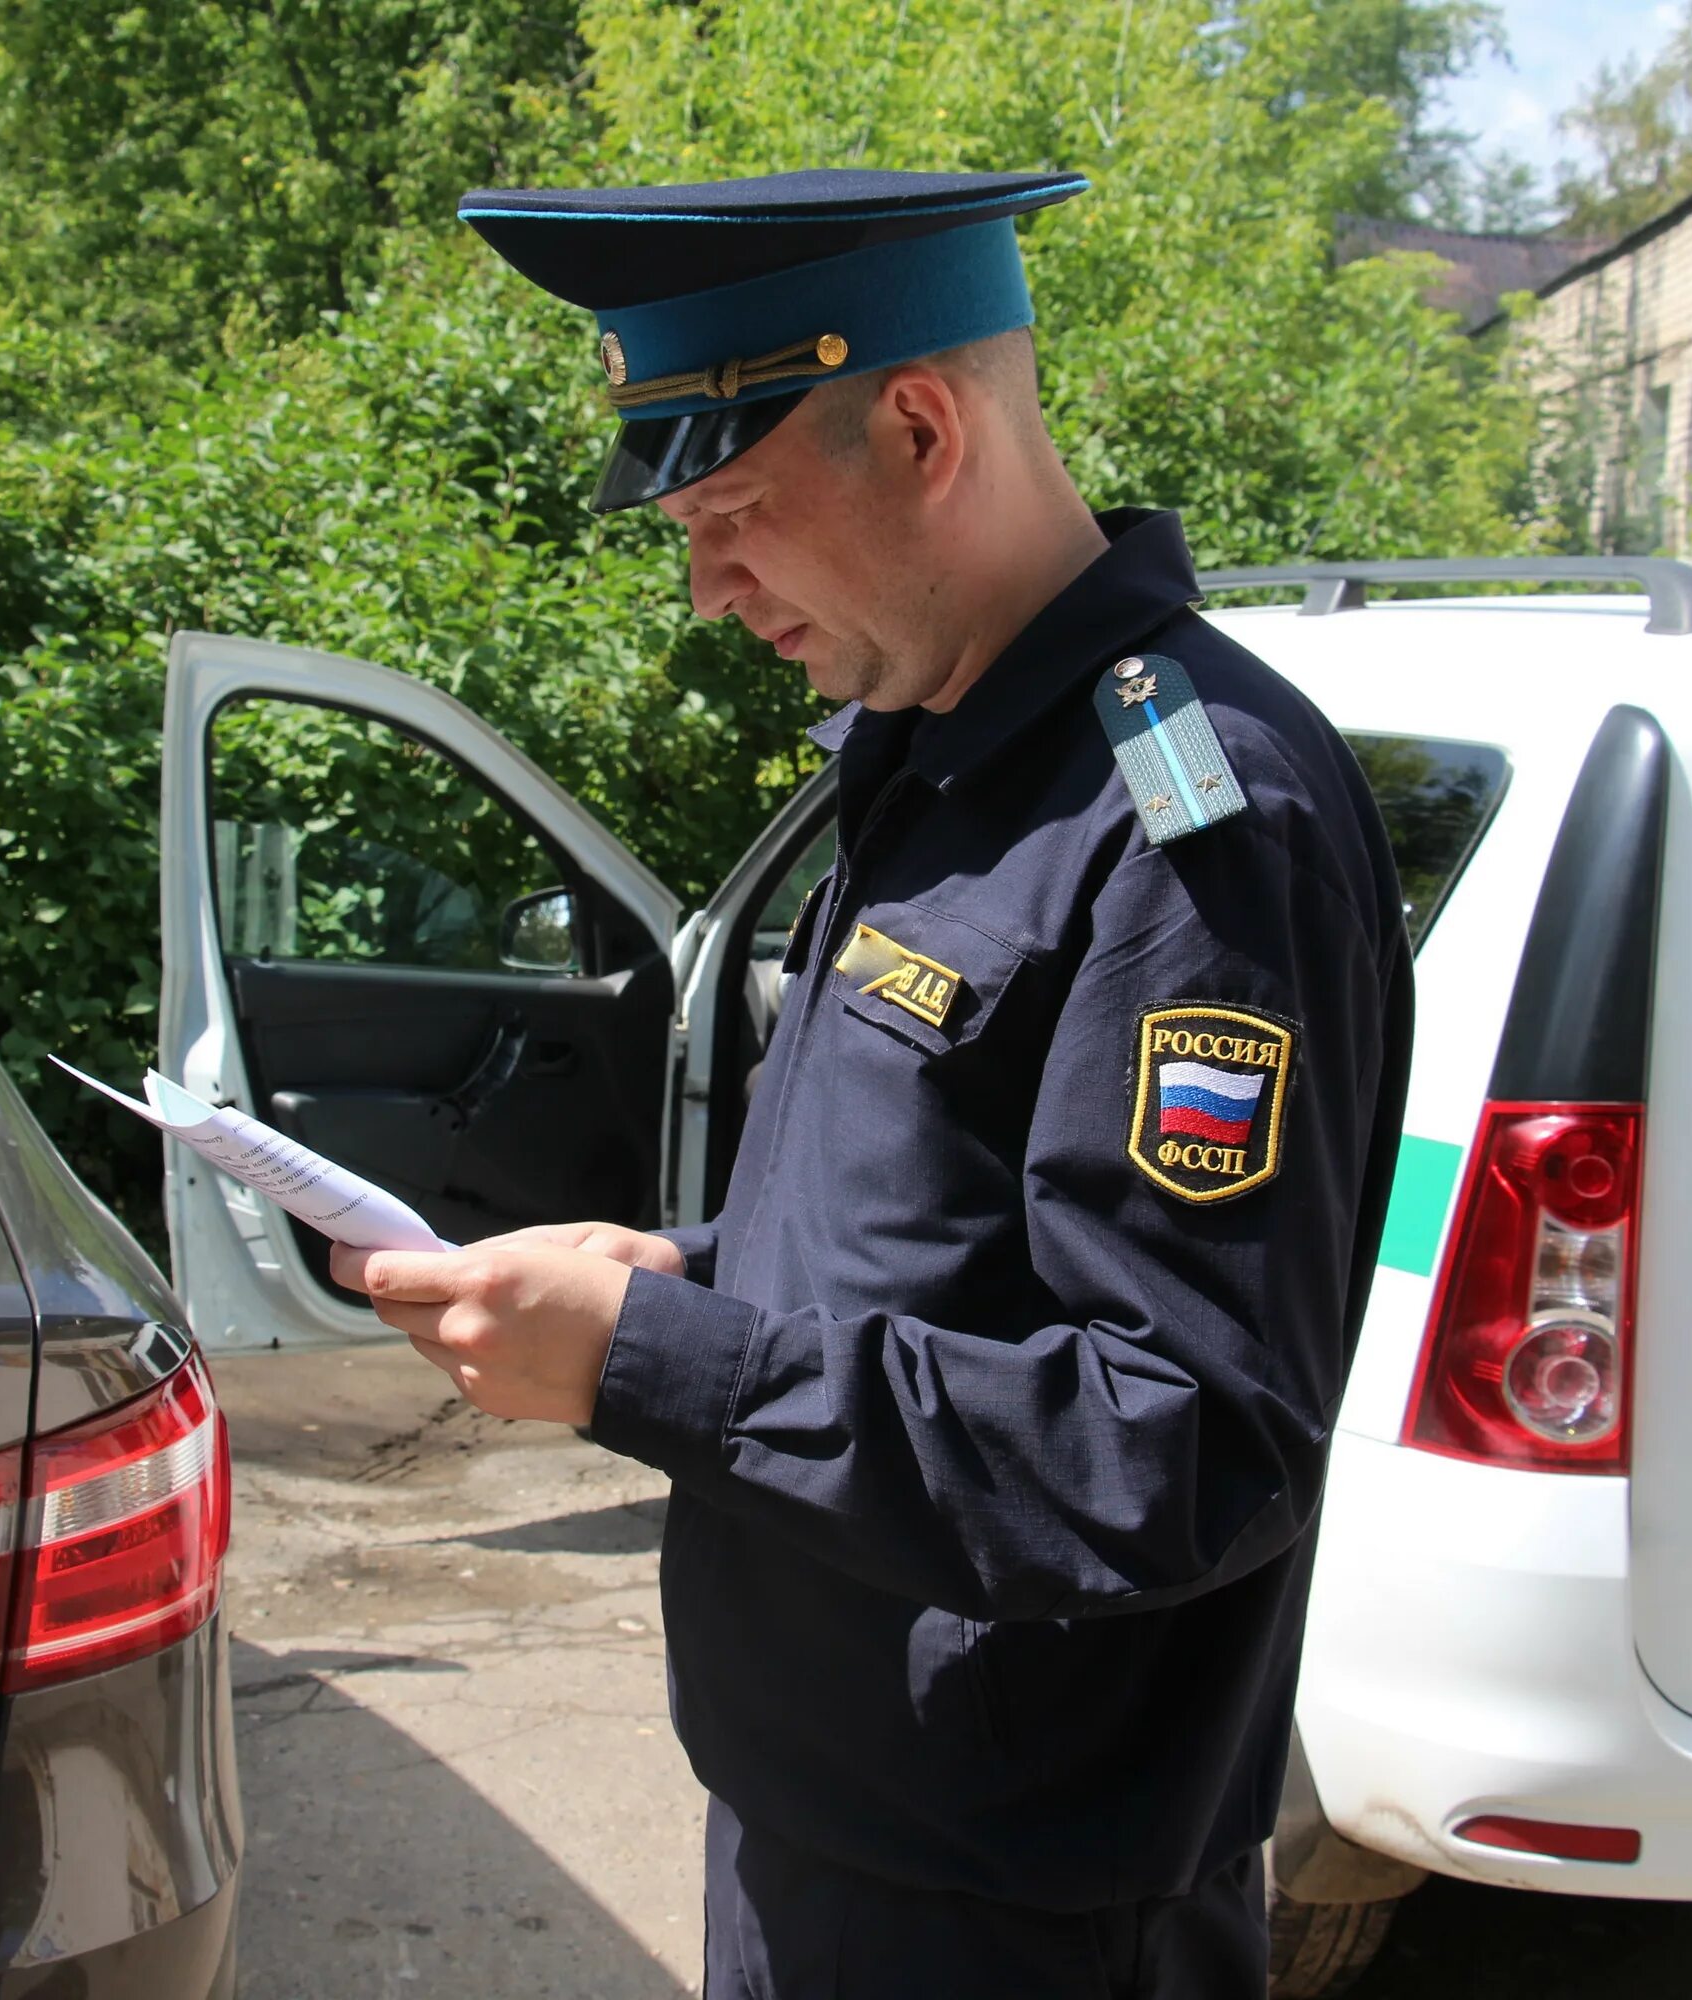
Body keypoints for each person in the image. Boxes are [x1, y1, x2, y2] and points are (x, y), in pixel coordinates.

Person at [331, 168, 1415, 1999]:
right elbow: (944, 1227)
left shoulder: (1189, 822)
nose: (704, 585)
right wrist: (686, 1271)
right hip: (829, 1812)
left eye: (737, 511)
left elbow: (1181, 1441)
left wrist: (651, 1362)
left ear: (920, 425)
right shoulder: (933, 752)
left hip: (1009, 1909)